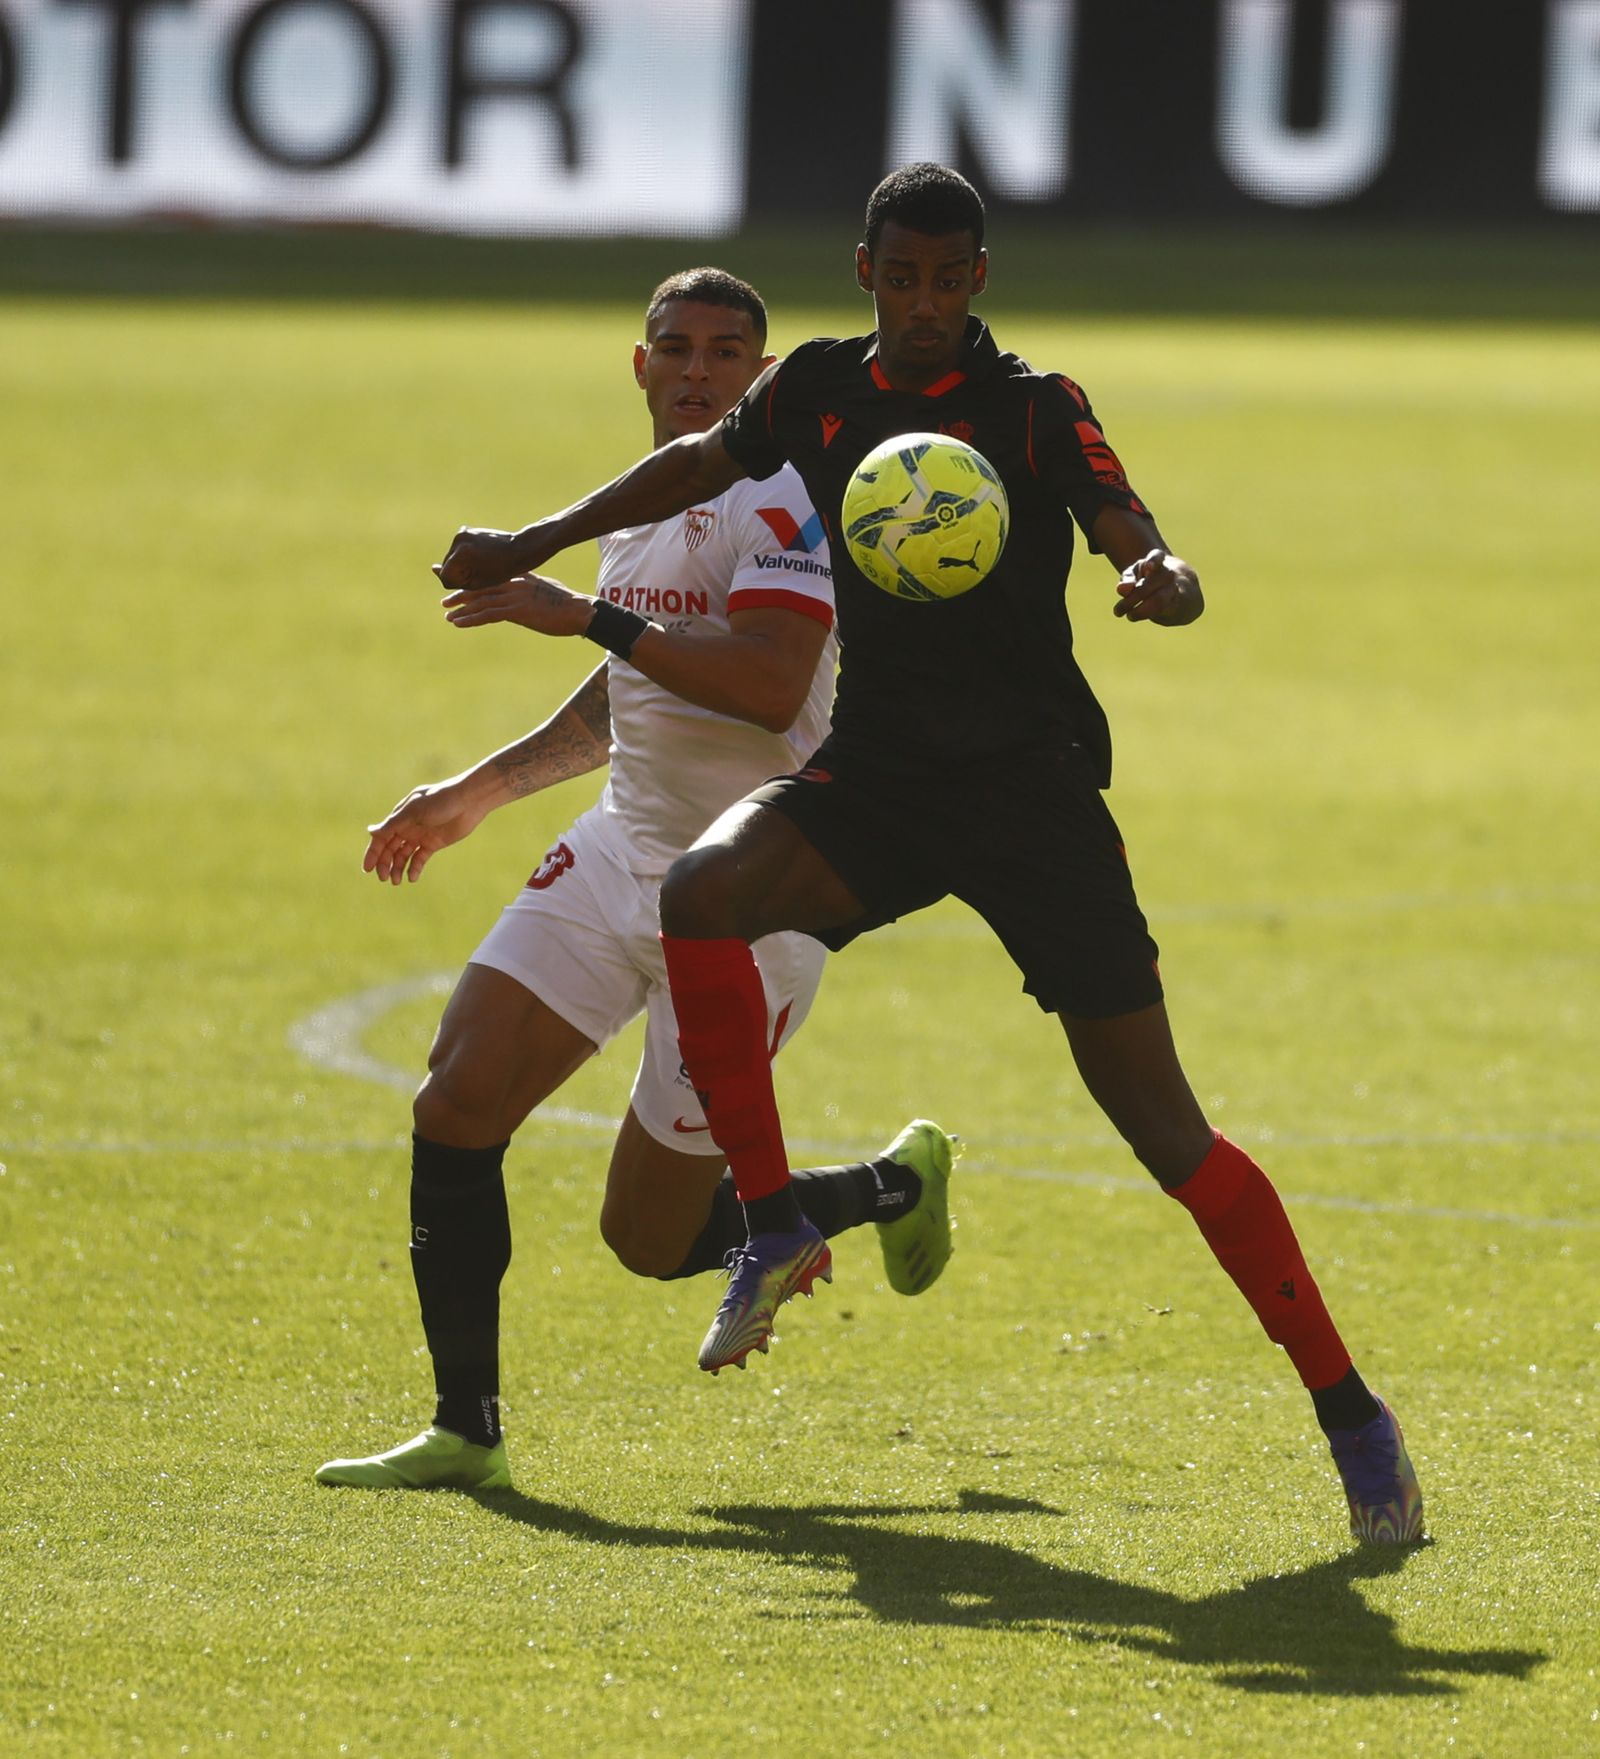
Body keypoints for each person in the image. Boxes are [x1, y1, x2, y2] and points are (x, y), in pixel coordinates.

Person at [434, 169, 1425, 1547]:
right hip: (884, 783)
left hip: (1033, 802)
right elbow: (692, 464)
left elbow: (1125, 522)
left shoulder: (1032, 406)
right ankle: (773, 1221)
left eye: (945, 277)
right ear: (866, 272)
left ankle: (1350, 1410)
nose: (920, 301)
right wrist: (536, 539)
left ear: (978, 276)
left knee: (1164, 1129)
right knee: (702, 888)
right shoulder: (825, 391)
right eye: (898, 276)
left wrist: (1163, 574)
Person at [316, 267, 958, 1494]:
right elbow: (631, 692)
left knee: (647, 1240)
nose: (698, 371)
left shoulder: (781, 502)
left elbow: (771, 684)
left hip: (750, 898)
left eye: (727, 352)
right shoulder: (645, 504)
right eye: (677, 348)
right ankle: (466, 1430)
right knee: (454, 1100)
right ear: (640, 364)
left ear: (761, 375)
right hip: (620, 852)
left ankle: (885, 1184)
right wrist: (476, 794)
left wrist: (585, 620)